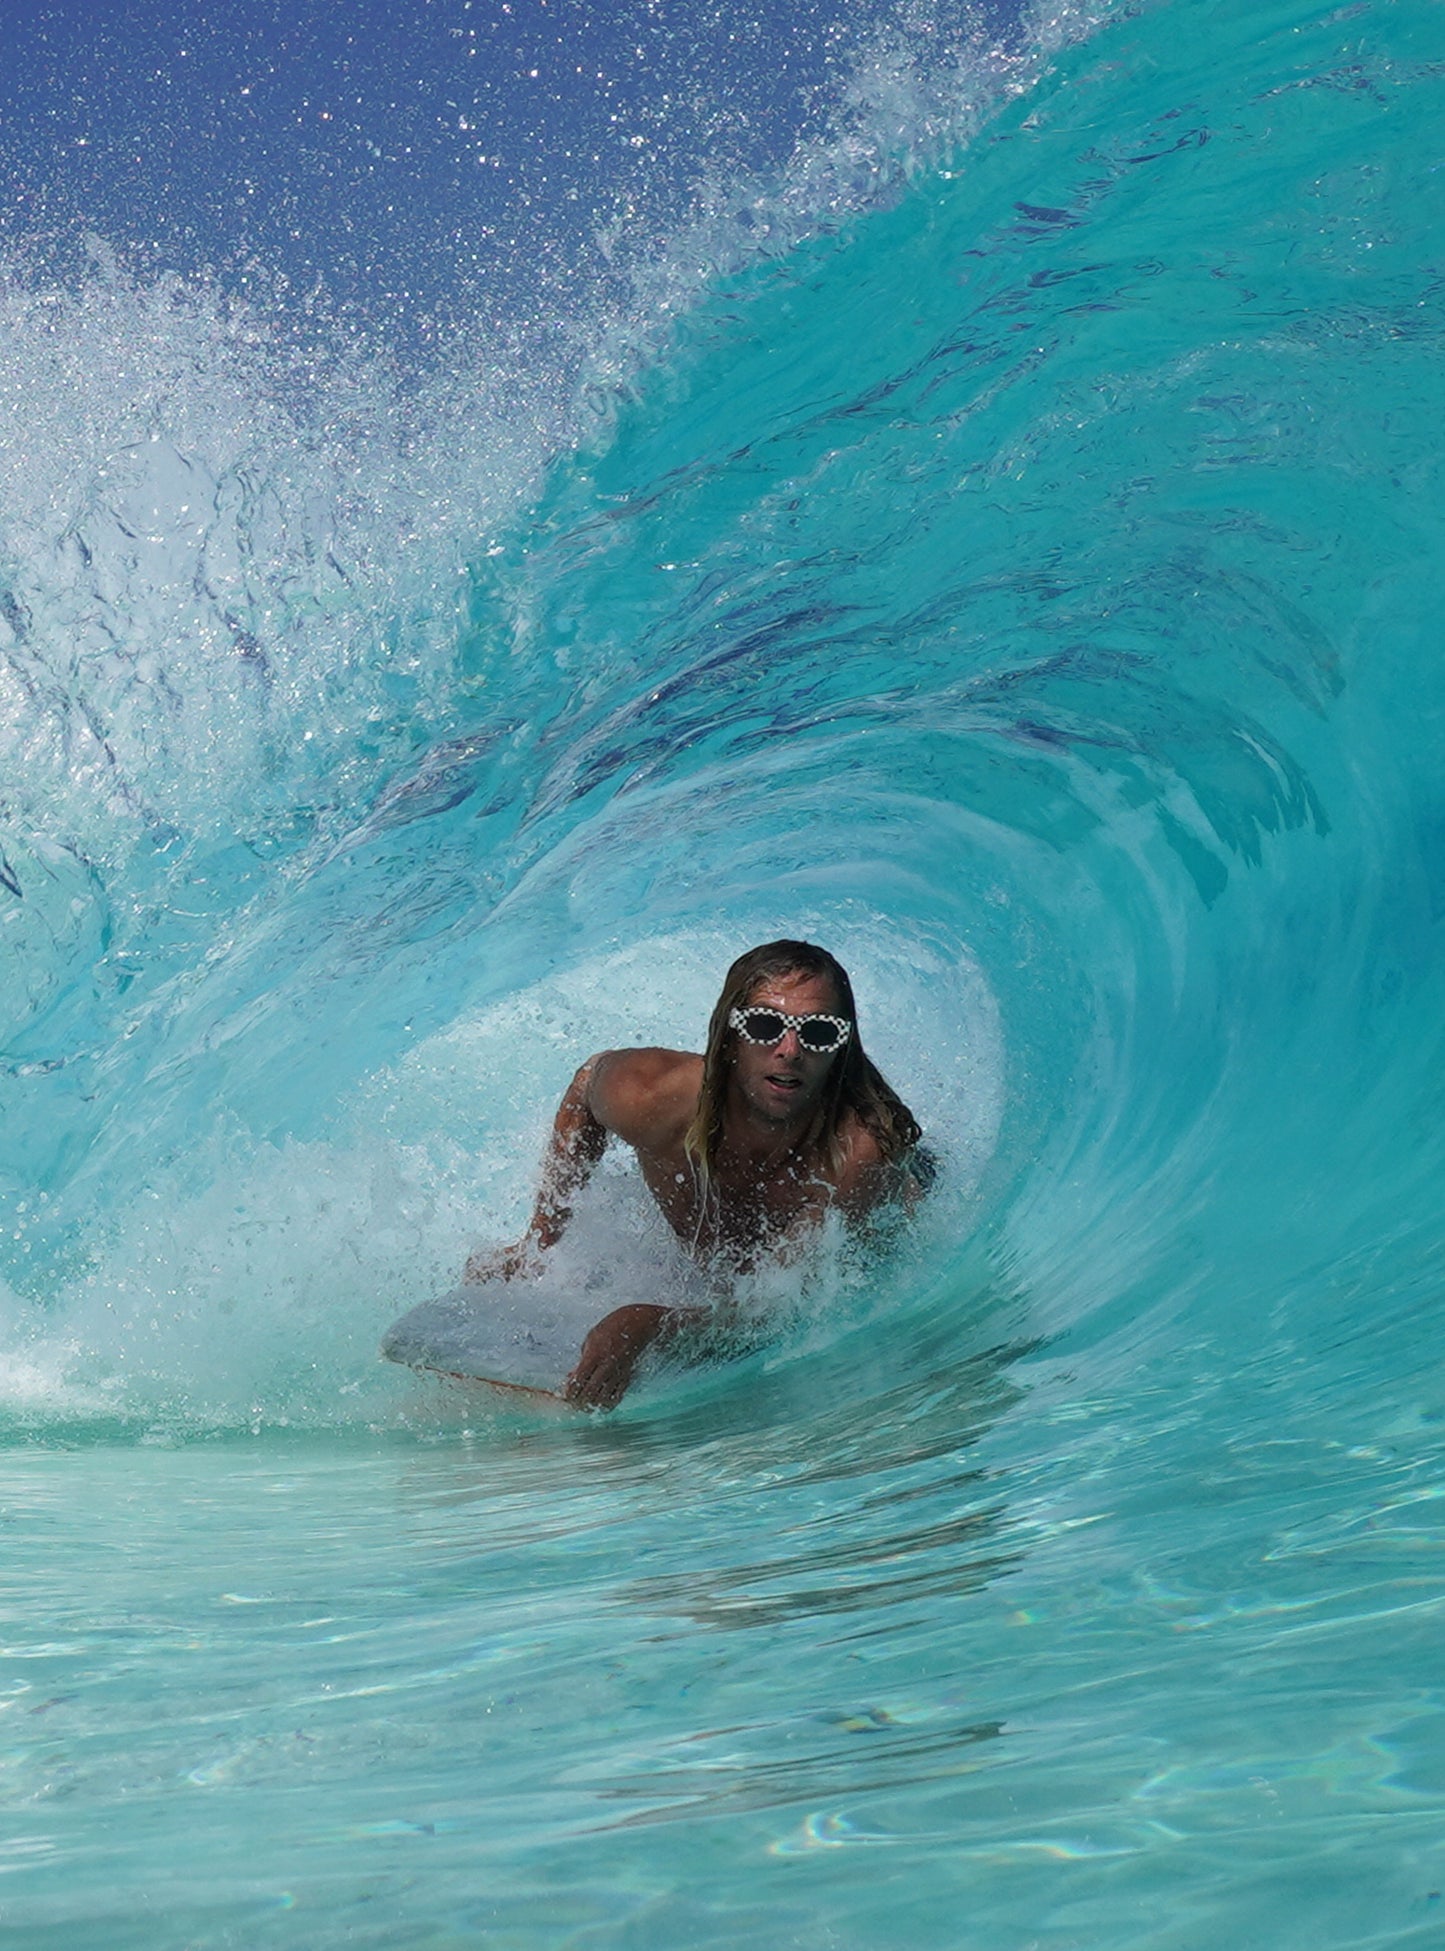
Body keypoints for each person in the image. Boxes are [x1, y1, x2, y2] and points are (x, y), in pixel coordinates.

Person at [466, 940, 925, 1408]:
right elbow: (586, 1087)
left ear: (841, 1047)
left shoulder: (858, 1154)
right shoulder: (652, 1096)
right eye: (766, 1026)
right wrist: (540, 1243)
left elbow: (776, 1314)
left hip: (889, 1209)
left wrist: (647, 1326)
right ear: (729, 1036)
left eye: (819, 1033)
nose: (790, 1050)